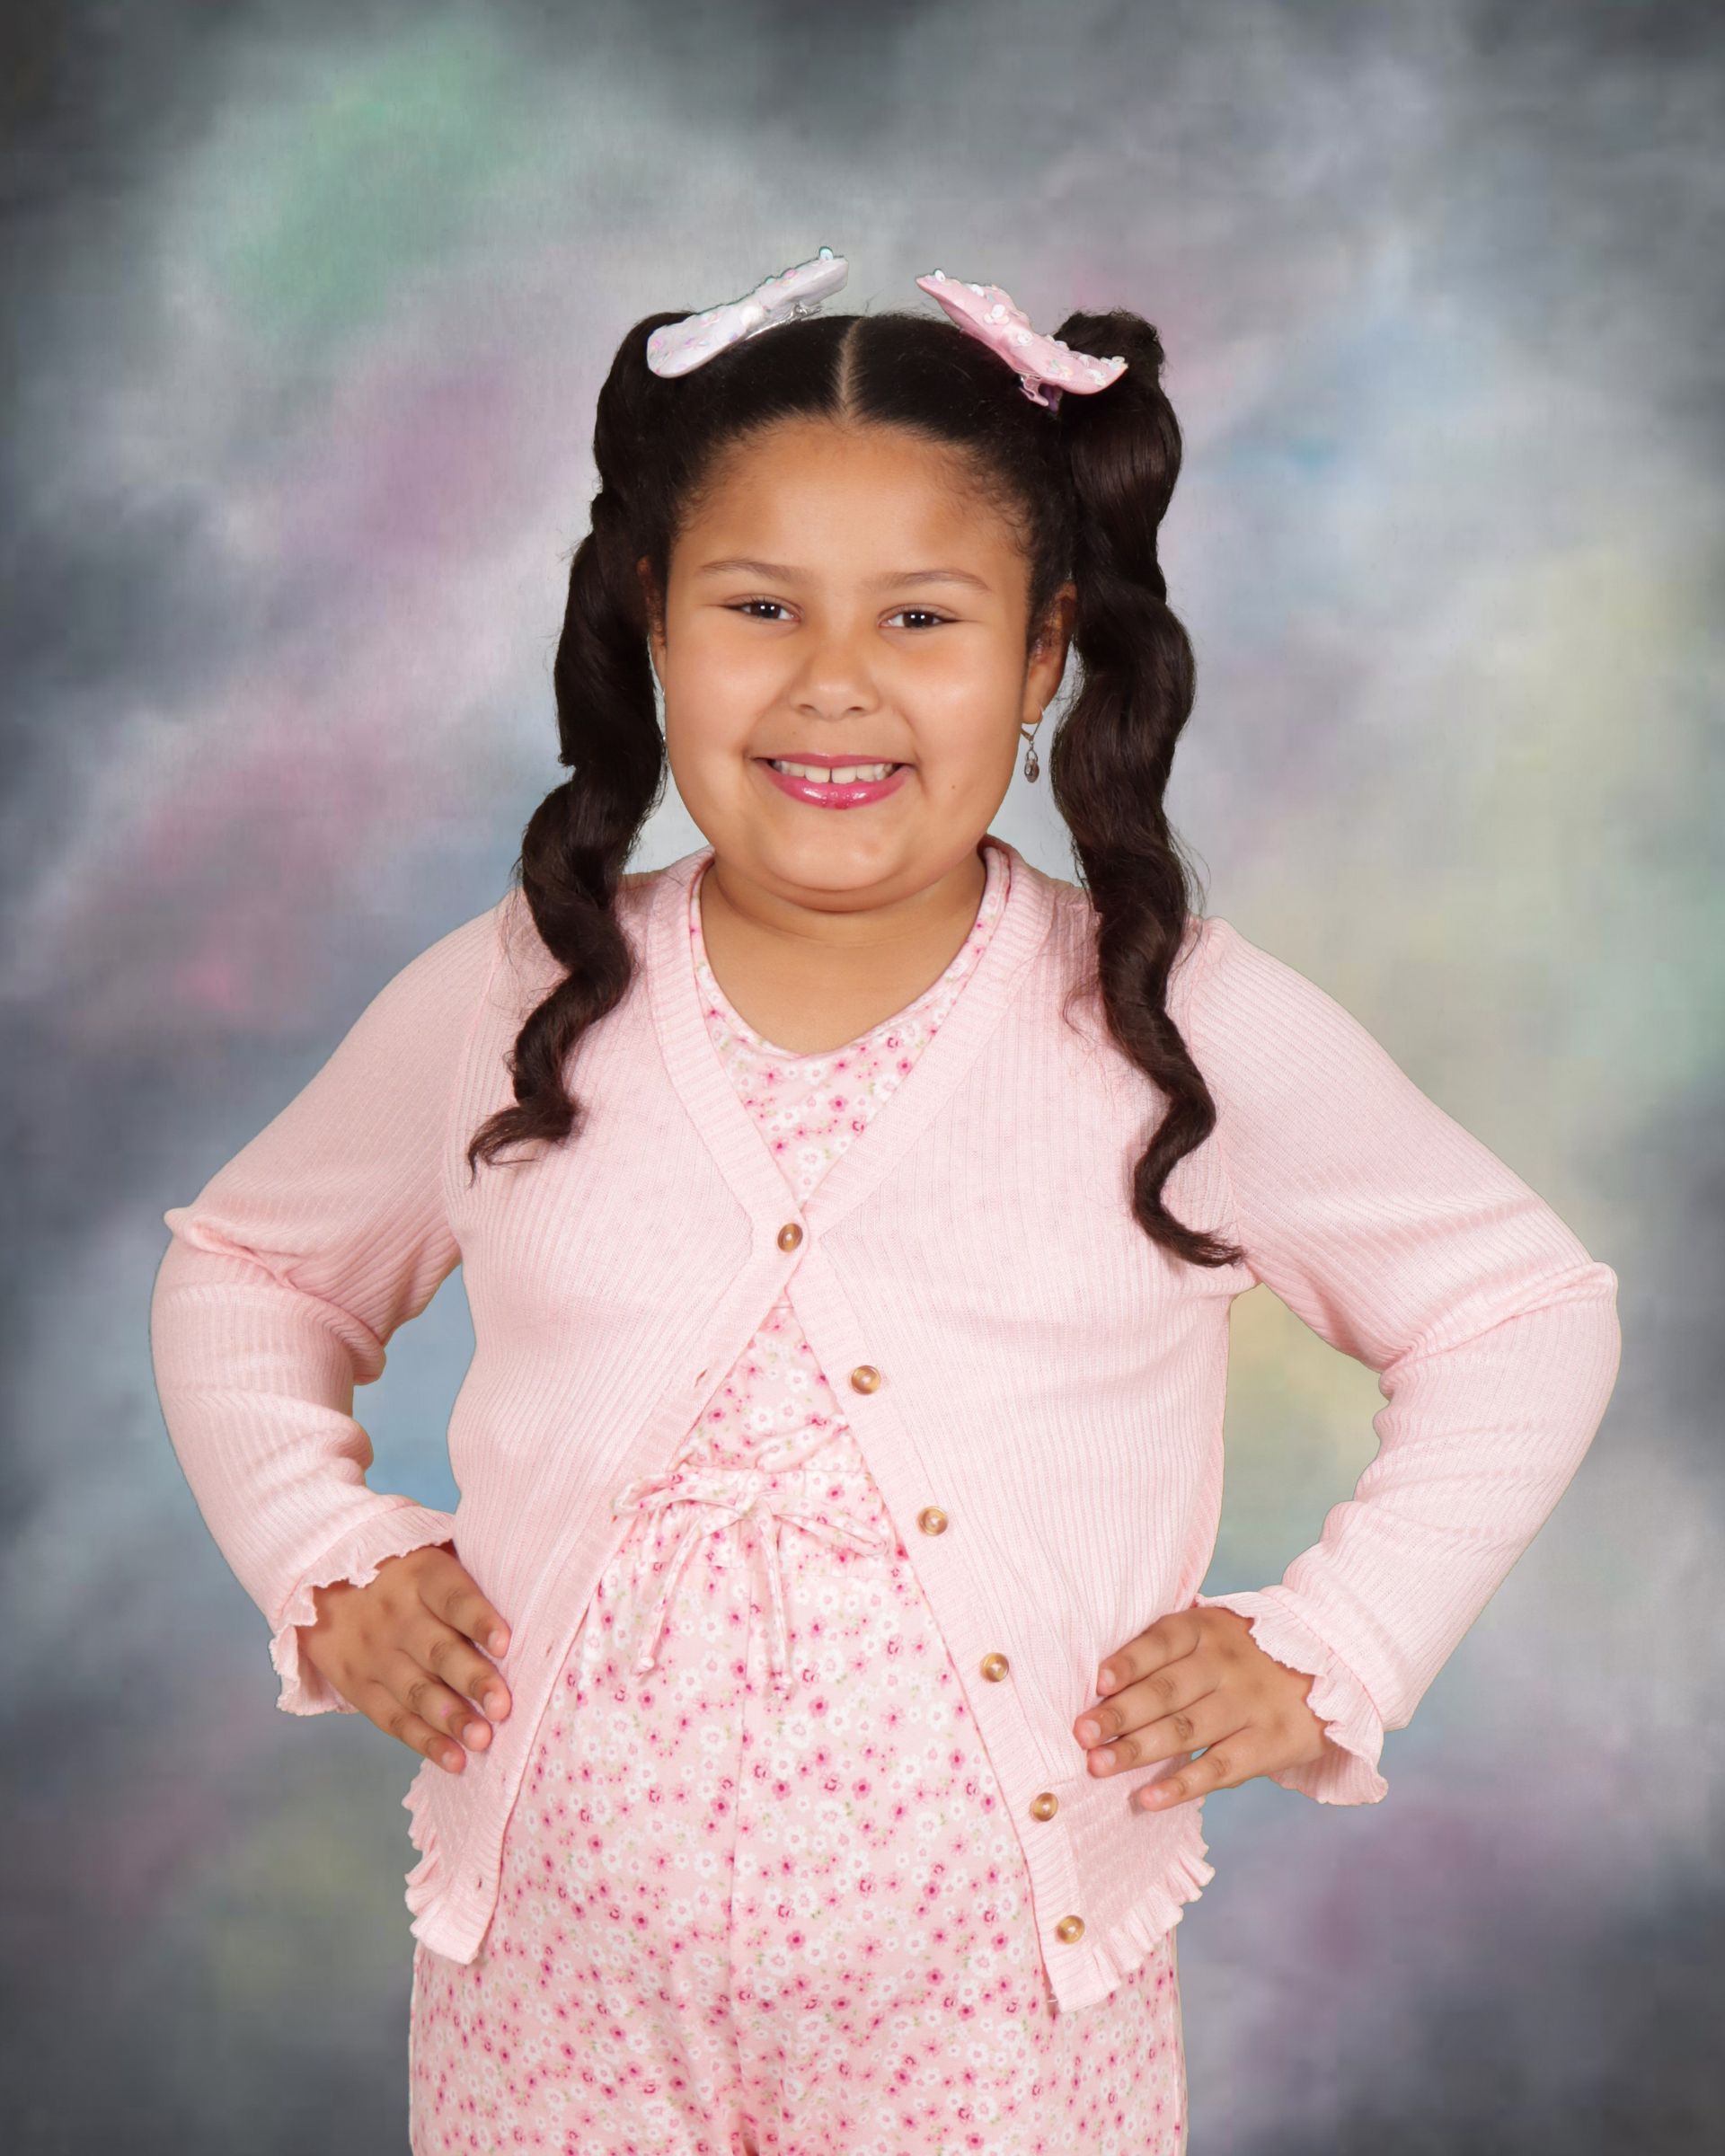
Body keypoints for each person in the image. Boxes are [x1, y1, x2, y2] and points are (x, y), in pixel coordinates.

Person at [148, 249, 1623, 2154]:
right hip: (557, 2002)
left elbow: (1518, 1311)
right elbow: (252, 1269)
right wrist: (320, 1558)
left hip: (1000, 2015)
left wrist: (1334, 1639)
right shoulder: (528, 988)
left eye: (922, 618)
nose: (832, 685)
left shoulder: (1171, 1019)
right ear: (655, 635)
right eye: (758, 607)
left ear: (1039, 659)